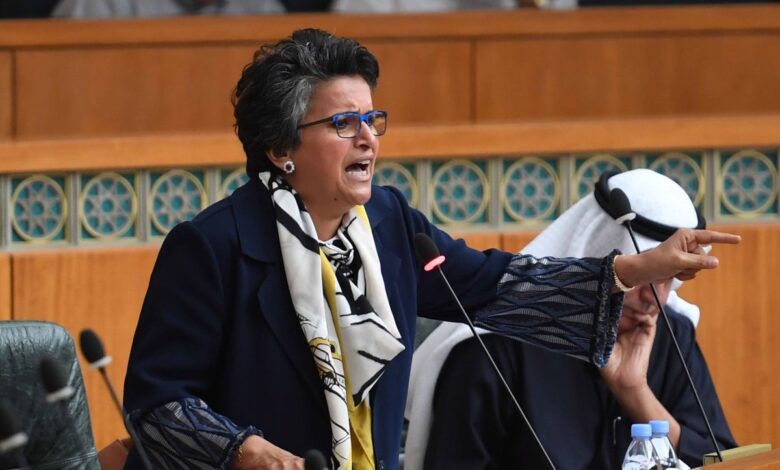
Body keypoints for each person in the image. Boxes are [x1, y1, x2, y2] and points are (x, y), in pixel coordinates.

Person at [122, 30, 738, 470]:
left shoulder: (389, 222)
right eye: (344, 124)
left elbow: (494, 286)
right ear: (282, 149)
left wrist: (636, 269)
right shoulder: (214, 248)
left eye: (373, 120)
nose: (368, 138)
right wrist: (244, 451)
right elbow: (156, 405)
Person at [406, 169, 737, 470]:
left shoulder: (671, 332)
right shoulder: (495, 346)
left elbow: (719, 458)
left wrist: (636, 393)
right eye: (642, 276)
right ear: (597, 255)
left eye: (669, 279)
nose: (656, 298)